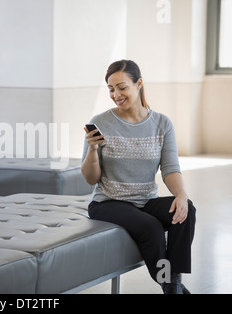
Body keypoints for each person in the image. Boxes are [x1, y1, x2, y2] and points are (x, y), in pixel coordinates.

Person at [81, 60, 196, 294]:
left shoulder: (162, 124)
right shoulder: (101, 122)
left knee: (186, 211)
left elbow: (170, 169)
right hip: (108, 203)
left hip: (145, 201)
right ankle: (172, 287)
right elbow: (90, 179)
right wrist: (92, 150)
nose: (116, 95)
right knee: (150, 226)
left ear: (139, 84)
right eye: (111, 89)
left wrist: (181, 195)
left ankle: (172, 284)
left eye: (122, 87)